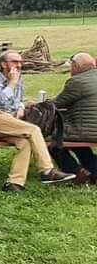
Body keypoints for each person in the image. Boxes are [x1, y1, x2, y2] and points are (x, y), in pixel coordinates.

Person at [0, 51, 74, 191]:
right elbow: (2, 101)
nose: (19, 65)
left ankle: (14, 183)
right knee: (33, 129)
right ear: (3, 64)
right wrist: (12, 83)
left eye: (20, 62)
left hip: (10, 121)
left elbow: (18, 102)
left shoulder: (20, 80)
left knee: (25, 142)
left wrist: (21, 106)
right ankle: (47, 171)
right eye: (14, 61)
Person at [50, 53, 97, 183]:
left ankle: (75, 172)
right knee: (79, 143)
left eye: (71, 66)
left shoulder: (77, 82)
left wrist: (37, 104)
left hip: (87, 131)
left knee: (52, 141)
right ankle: (94, 171)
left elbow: (56, 104)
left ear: (76, 66)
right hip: (88, 131)